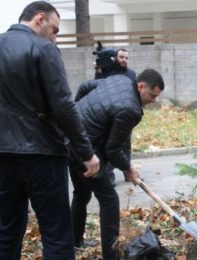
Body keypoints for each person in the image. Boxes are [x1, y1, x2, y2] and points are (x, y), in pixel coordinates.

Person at [0, 1, 100, 259]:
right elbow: (63, 105)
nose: (55, 37)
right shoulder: (44, 48)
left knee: (5, 232)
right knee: (56, 235)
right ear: (39, 19)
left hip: (2, 154)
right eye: (54, 30)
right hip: (43, 153)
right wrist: (86, 153)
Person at [69, 69, 165, 259]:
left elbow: (85, 87)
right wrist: (128, 169)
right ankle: (111, 256)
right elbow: (112, 149)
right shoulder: (131, 109)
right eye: (152, 95)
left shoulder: (119, 79)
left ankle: (75, 241)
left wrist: (77, 113)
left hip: (69, 137)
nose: (153, 101)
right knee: (109, 200)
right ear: (141, 86)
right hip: (85, 150)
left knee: (81, 192)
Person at [94, 48, 137, 186]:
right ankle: (109, 175)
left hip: (126, 114)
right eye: (121, 57)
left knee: (126, 145)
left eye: (126, 57)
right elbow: (97, 87)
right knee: (112, 144)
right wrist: (99, 71)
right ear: (115, 58)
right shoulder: (106, 72)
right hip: (110, 114)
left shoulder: (131, 74)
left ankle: (127, 172)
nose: (124, 60)